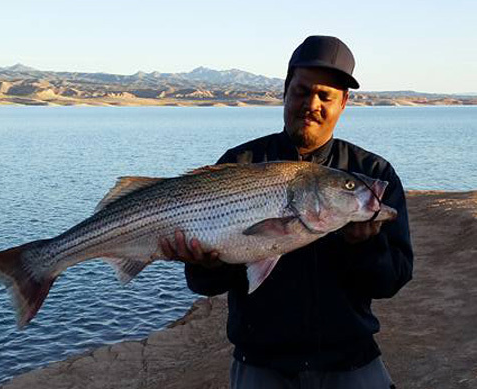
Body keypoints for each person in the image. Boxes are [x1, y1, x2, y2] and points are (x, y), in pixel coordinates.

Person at [160, 36, 413, 389]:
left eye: (325, 96)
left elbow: (393, 280)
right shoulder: (240, 163)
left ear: (343, 102)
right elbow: (203, 284)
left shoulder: (371, 175)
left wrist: (365, 248)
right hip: (261, 367)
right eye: (302, 91)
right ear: (285, 91)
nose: (311, 104)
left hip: (352, 363)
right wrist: (205, 263)